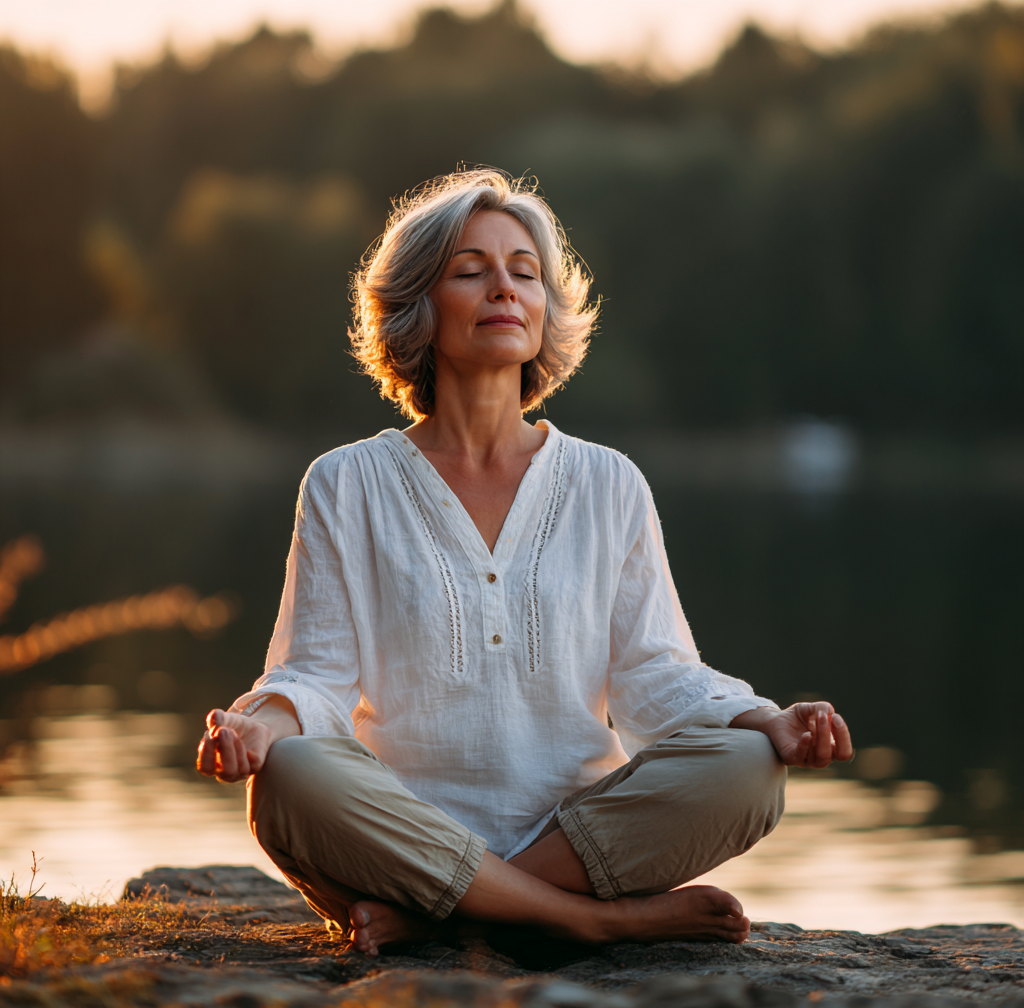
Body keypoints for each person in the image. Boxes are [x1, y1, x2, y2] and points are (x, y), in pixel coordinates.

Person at [197, 169, 853, 957]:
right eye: (471, 272)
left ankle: (456, 911)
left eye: (525, 273)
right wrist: (254, 727)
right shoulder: (347, 482)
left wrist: (770, 720)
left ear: (545, 310)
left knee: (750, 768)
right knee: (293, 779)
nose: (504, 288)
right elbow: (314, 677)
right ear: (418, 307)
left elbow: (657, 674)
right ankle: (587, 921)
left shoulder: (608, 482)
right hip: (400, 828)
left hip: (577, 834)